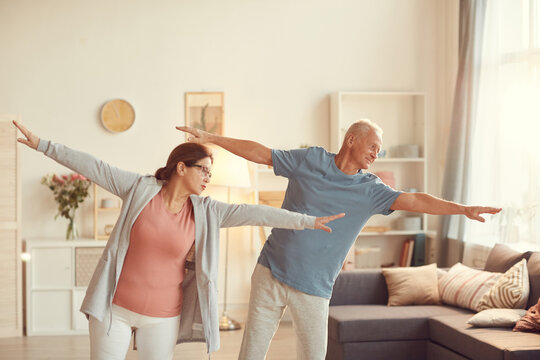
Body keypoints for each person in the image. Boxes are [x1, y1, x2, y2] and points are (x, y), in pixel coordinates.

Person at [13, 120, 345, 360]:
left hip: (162, 318)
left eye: (211, 174)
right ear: (182, 167)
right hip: (114, 310)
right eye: (204, 170)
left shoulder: (207, 211)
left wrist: (307, 221)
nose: (208, 178)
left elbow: (256, 212)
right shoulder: (140, 189)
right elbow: (94, 167)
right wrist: (43, 144)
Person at [177, 119, 502, 360]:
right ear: (351, 140)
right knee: (250, 355)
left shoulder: (371, 190)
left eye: (379, 149)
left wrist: (462, 209)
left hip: (314, 288)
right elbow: (262, 154)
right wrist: (210, 138)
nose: (377, 153)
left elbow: (416, 201)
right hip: (270, 271)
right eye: (372, 146)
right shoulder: (310, 159)